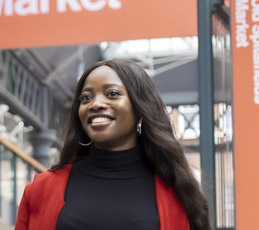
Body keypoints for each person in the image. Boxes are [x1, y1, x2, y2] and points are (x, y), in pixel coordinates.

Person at [15, 60, 209, 230]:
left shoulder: (178, 192)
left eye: (112, 93)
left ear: (140, 107)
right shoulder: (40, 190)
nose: (96, 104)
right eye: (86, 97)